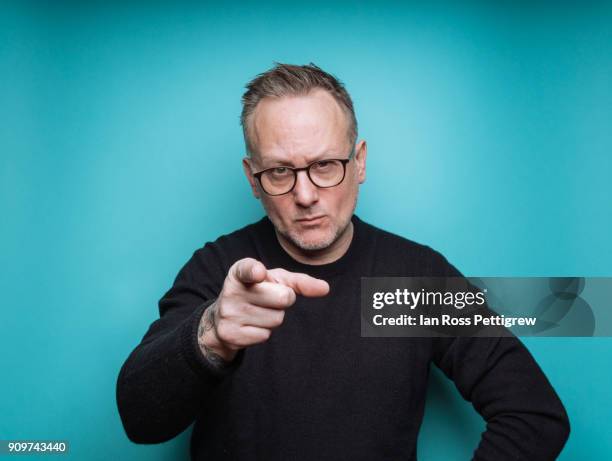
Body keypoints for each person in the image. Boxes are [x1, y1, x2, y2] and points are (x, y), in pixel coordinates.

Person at [116, 63, 570, 460]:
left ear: (360, 163)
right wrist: (211, 335)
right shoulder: (217, 269)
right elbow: (140, 421)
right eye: (279, 171)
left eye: (326, 165)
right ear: (252, 179)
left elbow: (534, 415)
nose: (306, 194)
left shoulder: (414, 282)